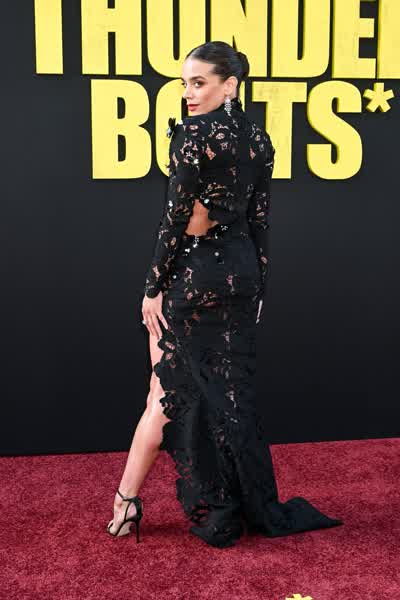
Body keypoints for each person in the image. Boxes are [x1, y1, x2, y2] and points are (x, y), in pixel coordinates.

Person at [106, 41, 343, 548]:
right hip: (240, 279)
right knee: (230, 397)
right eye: (185, 83)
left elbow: (176, 220)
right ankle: (239, 502)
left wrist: (152, 288)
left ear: (230, 85)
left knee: (163, 396)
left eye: (199, 83)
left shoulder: (191, 134)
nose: (188, 94)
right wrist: (260, 283)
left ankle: (127, 502)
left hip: (191, 281)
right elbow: (260, 220)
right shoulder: (259, 138)